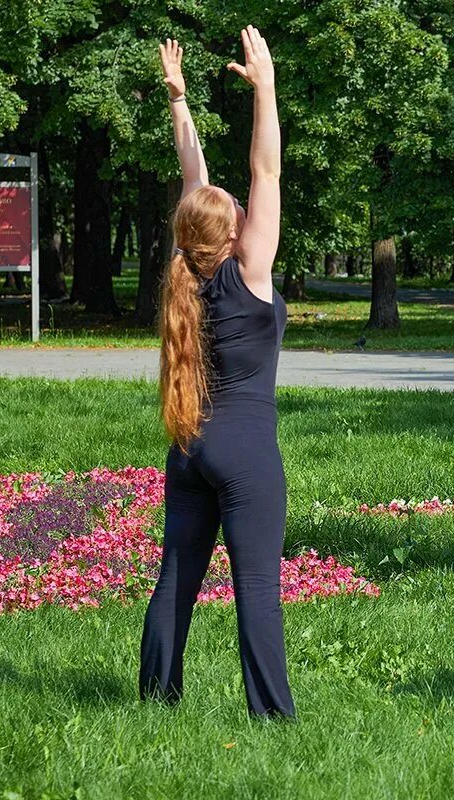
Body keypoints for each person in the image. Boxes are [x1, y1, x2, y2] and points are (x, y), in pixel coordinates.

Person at [139, 29, 295, 718]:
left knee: (176, 578)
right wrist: (265, 89)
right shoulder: (248, 272)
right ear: (230, 233)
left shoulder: (187, 276)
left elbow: (194, 183)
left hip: (189, 449)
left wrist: (180, 103)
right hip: (243, 451)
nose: (233, 197)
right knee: (258, 585)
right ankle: (273, 717)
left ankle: (155, 698)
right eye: (231, 206)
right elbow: (266, 173)